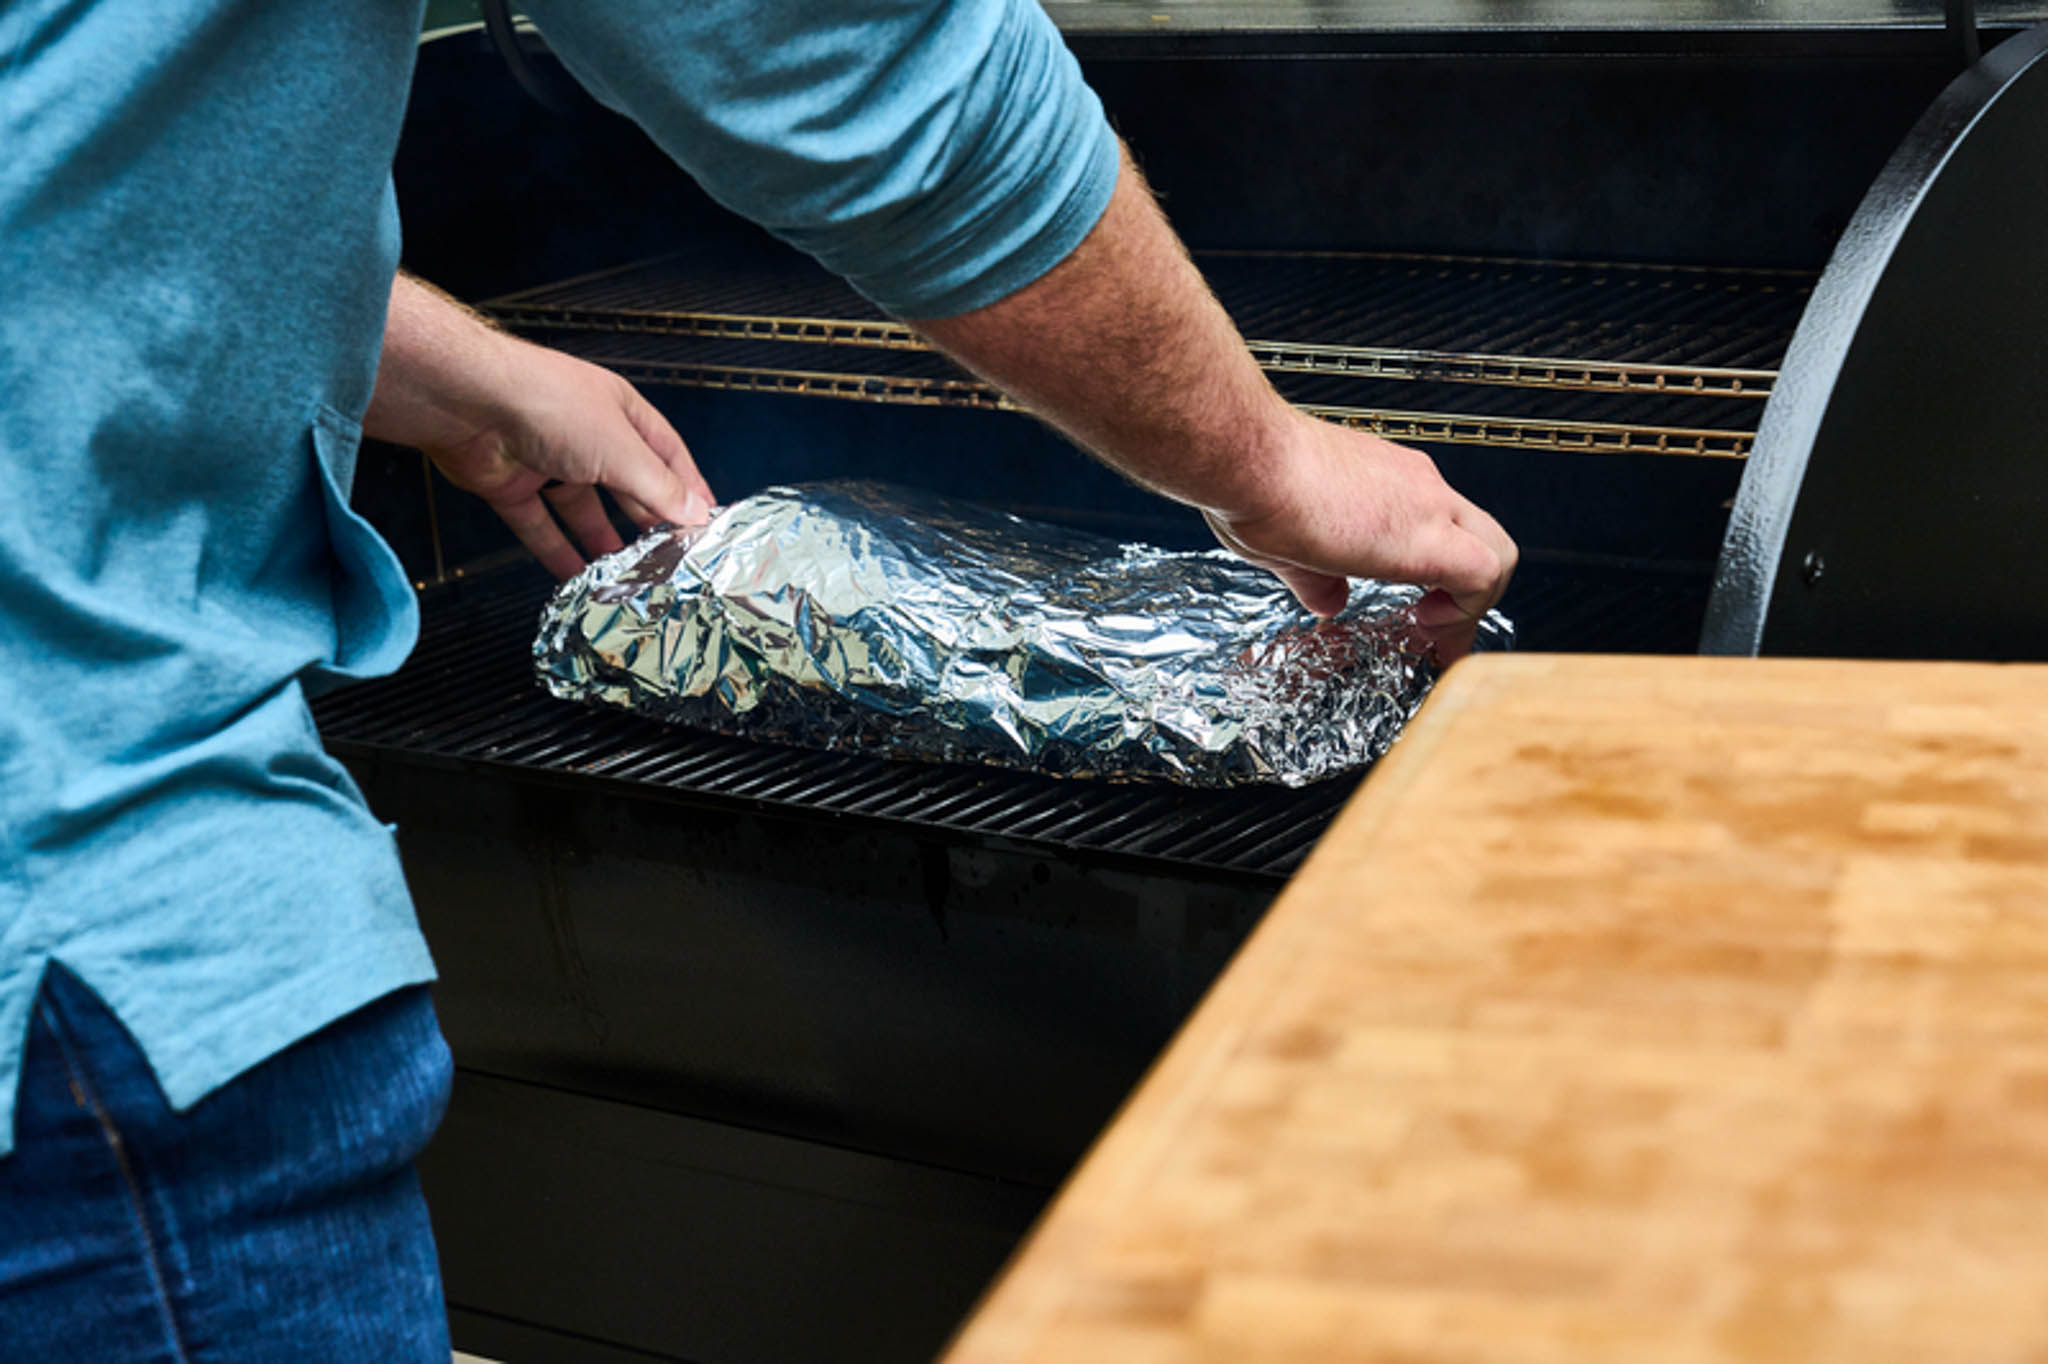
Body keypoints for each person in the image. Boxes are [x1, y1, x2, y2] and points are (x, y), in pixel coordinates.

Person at [0, 0, 1514, 1357]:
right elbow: (858, 65)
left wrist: (470, 378)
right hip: (87, 975)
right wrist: (1266, 463)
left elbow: (61, 181)